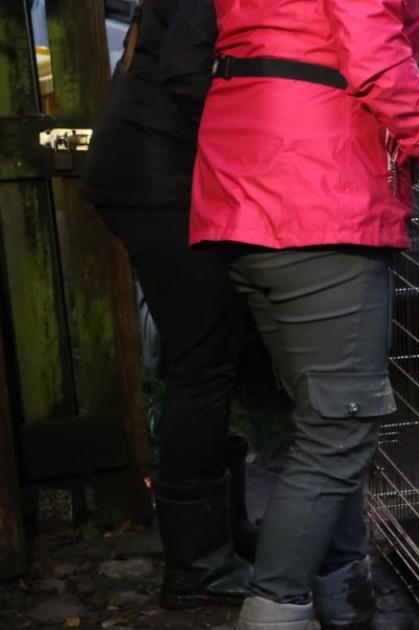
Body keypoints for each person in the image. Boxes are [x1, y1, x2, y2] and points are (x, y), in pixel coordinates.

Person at [172, 0, 419, 626]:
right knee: (339, 429)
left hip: (247, 188)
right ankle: (276, 608)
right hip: (316, 195)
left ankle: (347, 597)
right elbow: (377, 57)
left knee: (325, 417)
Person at [80, 0, 255, 609]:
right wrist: (256, 147)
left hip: (153, 169)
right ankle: (196, 566)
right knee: (202, 360)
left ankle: (224, 535)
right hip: (156, 178)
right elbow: (187, 71)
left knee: (214, 351)